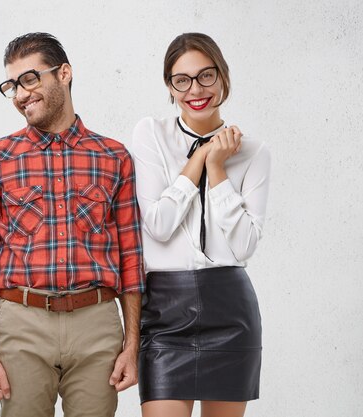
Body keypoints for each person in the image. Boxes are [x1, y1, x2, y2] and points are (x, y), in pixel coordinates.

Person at [0, 32, 145, 417]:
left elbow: (131, 259)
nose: (20, 94)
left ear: (64, 73)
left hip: (97, 325)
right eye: (12, 85)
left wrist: (132, 344)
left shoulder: (114, 158)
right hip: (21, 324)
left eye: (30, 79)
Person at [131, 33, 271, 417]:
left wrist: (218, 169)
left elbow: (244, 246)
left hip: (229, 308)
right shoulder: (151, 135)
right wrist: (199, 162)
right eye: (182, 80)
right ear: (170, 86)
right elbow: (158, 225)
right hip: (164, 312)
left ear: (223, 77)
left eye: (206, 76)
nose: (196, 89)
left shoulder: (255, 152)